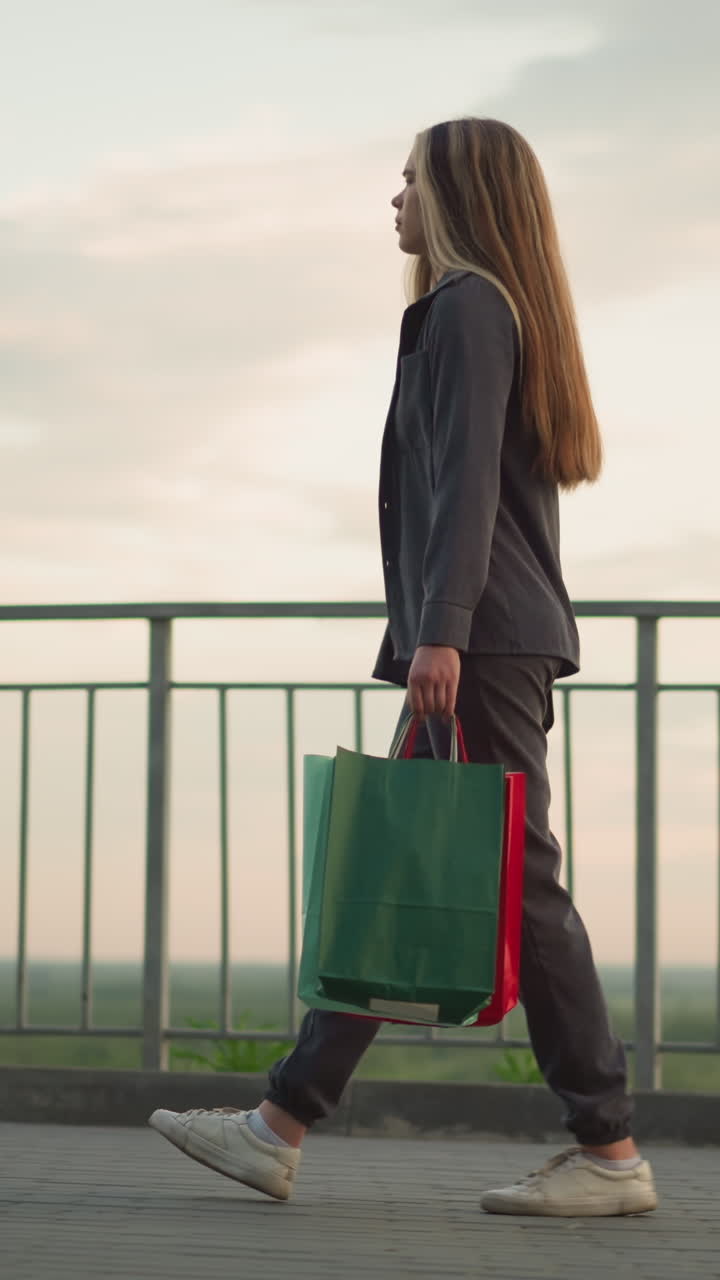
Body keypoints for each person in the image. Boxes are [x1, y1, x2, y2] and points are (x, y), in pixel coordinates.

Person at [149, 117, 658, 1216]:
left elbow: (464, 481)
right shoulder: (471, 310)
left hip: (480, 642)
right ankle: (279, 1123)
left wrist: (443, 627)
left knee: (517, 882)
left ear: (457, 195)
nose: (395, 201)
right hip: (484, 637)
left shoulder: (472, 309)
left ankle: (610, 1150)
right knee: (404, 869)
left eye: (409, 181)